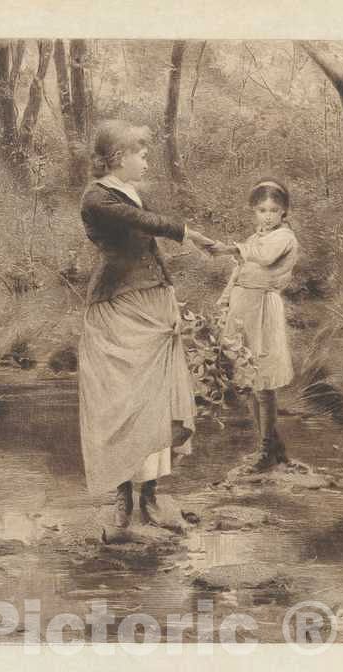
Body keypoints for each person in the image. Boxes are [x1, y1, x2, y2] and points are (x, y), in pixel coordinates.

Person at [77, 119, 217, 539]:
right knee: (122, 401)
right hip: (117, 306)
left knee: (156, 399)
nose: (146, 161)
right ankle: (123, 497)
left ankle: (151, 495)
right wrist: (189, 233)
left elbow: (145, 225)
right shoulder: (97, 198)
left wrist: (191, 242)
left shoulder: (131, 191)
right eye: (140, 154)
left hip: (153, 299)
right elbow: (140, 221)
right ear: (118, 158)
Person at [212, 179, 299, 471]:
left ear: (284, 211)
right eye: (262, 210)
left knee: (263, 383)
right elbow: (239, 272)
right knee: (248, 381)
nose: (268, 215)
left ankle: (266, 450)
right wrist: (225, 300)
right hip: (242, 308)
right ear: (254, 211)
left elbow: (262, 257)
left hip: (263, 310)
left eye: (274, 210)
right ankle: (272, 445)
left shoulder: (284, 237)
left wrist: (230, 248)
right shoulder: (254, 238)